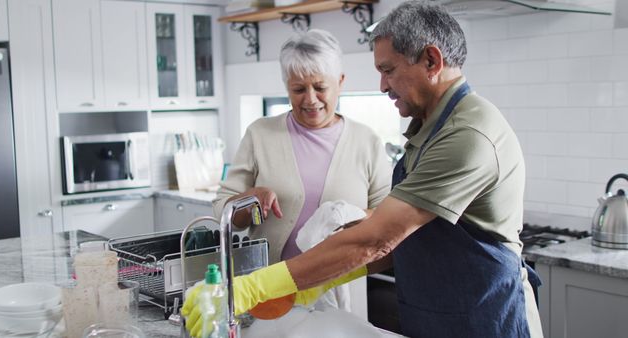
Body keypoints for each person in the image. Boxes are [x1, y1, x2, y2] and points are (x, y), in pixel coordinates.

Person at [183, 2, 543, 338]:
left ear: (431, 61)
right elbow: (396, 240)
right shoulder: (431, 128)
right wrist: (316, 280)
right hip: (441, 311)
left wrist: (250, 288)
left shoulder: (466, 135)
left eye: (388, 70)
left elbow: (378, 237)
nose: (383, 85)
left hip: (484, 317)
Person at [210, 29, 391, 311]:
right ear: (286, 87)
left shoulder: (366, 141)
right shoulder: (260, 135)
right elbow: (223, 211)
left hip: (340, 293)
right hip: (270, 293)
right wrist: (248, 202)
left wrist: (348, 217)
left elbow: (388, 219)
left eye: (320, 87)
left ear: (340, 82)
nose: (310, 99)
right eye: (298, 89)